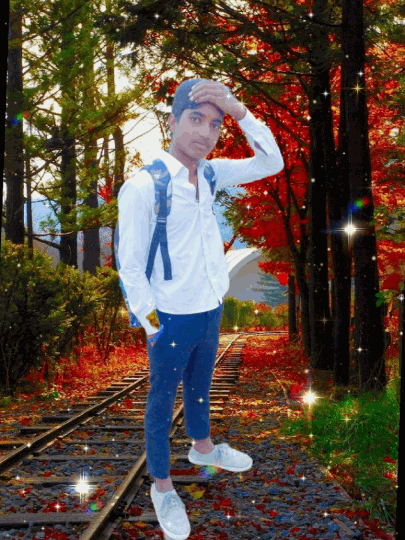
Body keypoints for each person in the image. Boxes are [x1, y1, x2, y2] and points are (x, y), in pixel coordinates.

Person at [116, 78, 284, 540]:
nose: (205, 133)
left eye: (214, 125)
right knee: (160, 403)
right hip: (170, 316)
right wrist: (152, 326)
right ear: (172, 122)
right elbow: (129, 267)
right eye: (195, 120)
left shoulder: (211, 174)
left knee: (200, 385)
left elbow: (272, 161)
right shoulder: (143, 187)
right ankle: (163, 487)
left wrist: (239, 110)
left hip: (210, 307)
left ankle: (203, 448)